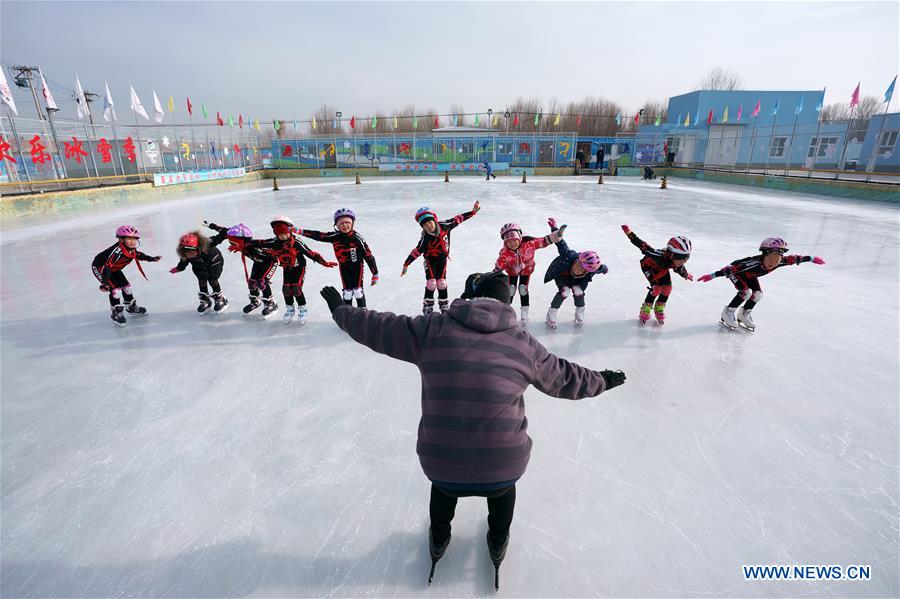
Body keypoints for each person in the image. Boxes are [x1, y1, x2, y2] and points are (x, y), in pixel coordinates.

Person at [317, 269, 627, 589]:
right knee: (502, 483)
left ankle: (439, 536)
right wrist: (603, 379)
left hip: (442, 465)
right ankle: (498, 537)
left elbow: (376, 327)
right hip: (503, 467)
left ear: (467, 296)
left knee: (445, 481)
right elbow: (565, 378)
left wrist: (341, 310)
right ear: (507, 302)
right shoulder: (523, 345)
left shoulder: (431, 329)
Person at [697, 237, 825, 331]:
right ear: (764, 255)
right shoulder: (752, 263)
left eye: (777, 259)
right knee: (745, 292)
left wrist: (813, 259)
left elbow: (798, 258)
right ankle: (728, 312)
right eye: (771, 259)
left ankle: (744, 314)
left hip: (751, 276)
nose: (773, 262)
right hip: (737, 273)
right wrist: (712, 276)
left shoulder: (781, 261)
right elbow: (729, 270)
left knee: (757, 295)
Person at [402, 202, 480, 314]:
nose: (428, 226)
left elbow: (459, 219)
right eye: (425, 225)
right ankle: (427, 306)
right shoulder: (426, 237)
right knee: (432, 283)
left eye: (429, 222)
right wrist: (406, 264)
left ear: (434, 220)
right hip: (430, 261)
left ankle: (444, 306)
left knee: (442, 283)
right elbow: (417, 250)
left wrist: (472, 212)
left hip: (442, 260)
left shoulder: (445, 225)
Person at [256, 216, 337, 323]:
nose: (283, 236)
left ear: (290, 232)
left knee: (296, 288)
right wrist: (243, 244)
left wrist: (324, 263)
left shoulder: (297, 242)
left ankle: (303, 309)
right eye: (280, 235)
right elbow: (259, 243)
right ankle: (290, 309)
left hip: (299, 268)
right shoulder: (274, 242)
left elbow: (310, 253)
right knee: (286, 290)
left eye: (285, 233)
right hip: (287, 269)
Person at [300, 208, 378, 308]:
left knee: (358, 291)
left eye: (347, 222)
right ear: (336, 225)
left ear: (352, 223)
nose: (345, 225)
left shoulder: (357, 238)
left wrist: (375, 273)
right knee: (347, 292)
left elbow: (368, 255)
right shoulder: (335, 236)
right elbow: (319, 236)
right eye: (341, 223)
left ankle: (362, 311)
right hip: (344, 267)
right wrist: (301, 232)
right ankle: (348, 312)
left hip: (357, 267)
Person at [621, 225, 693, 325]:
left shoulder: (677, 262)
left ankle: (659, 307)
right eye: (680, 258)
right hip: (648, 267)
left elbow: (680, 268)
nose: (683, 262)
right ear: (671, 255)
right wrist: (629, 233)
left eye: (686, 258)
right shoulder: (659, 256)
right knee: (657, 288)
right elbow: (641, 244)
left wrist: (685, 275)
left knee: (668, 288)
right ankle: (645, 308)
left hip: (662, 269)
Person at [495, 221, 565, 323]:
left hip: (526, 270)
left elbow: (544, 241)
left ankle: (524, 314)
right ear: (505, 242)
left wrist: (557, 234)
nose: (512, 243)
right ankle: (505, 311)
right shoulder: (505, 253)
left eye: (514, 240)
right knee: (511, 289)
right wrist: (491, 276)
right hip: (512, 272)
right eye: (509, 242)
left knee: (523, 289)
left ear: (520, 238)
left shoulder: (529, 244)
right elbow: (498, 267)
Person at [543, 219, 608, 328]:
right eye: (577, 264)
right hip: (562, 277)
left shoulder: (592, 271)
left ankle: (580, 311)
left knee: (578, 292)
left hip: (577, 281)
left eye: (581, 268)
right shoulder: (569, 256)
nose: (577, 268)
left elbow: (600, 268)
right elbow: (560, 243)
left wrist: (604, 269)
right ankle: (552, 312)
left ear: (587, 271)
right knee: (565, 292)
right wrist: (555, 229)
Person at [204, 221, 279, 317]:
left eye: (232, 242)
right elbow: (223, 230)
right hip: (258, 262)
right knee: (252, 282)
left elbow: (272, 247)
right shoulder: (237, 239)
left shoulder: (255, 246)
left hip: (270, 262)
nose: (230, 243)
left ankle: (271, 303)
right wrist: (211, 225)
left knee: (262, 282)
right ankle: (255, 301)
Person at [91, 225, 161, 325]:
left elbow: (139, 255)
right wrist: (105, 283)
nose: (132, 241)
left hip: (114, 269)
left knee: (127, 288)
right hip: (101, 268)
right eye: (129, 238)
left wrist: (152, 258)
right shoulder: (116, 253)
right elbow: (106, 268)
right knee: (116, 290)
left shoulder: (129, 249)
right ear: (121, 240)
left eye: (134, 239)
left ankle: (131, 307)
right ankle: (116, 313)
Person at [170, 231, 228, 313]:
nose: (190, 255)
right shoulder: (186, 255)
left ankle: (220, 299)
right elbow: (183, 262)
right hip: (199, 265)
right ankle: (205, 300)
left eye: (192, 253)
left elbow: (217, 238)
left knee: (212, 279)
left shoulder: (206, 244)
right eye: (187, 254)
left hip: (214, 262)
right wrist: (179, 268)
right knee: (202, 280)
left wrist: (226, 234)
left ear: (198, 248)